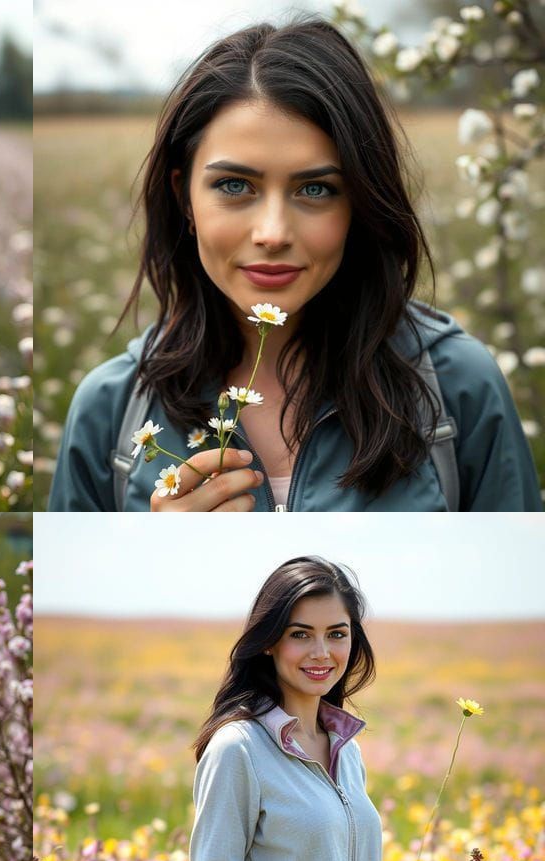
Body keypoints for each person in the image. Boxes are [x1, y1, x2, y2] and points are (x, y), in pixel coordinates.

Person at [48, 17, 541, 511]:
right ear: (184, 198)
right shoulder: (111, 414)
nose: (273, 233)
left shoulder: (457, 388)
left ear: (360, 205)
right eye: (235, 186)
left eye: (316, 189)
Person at [187, 556, 387, 861]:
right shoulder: (238, 747)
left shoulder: (347, 751)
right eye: (301, 634)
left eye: (337, 633)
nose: (322, 651)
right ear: (269, 642)